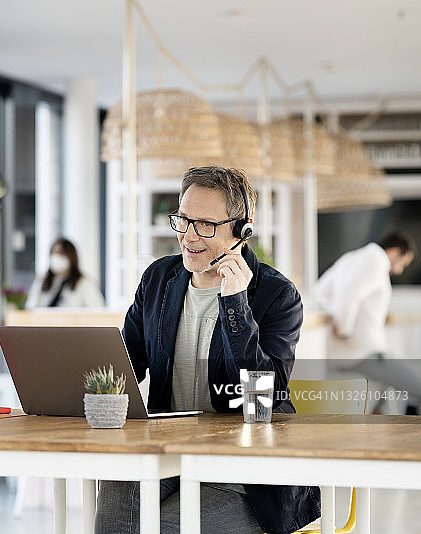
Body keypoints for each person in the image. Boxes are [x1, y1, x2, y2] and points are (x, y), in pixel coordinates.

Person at [95, 165, 320, 534]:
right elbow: (126, 365)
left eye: (205, 225)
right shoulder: (158, 279)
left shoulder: (277, 296)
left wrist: (235, 304)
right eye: (183, 220)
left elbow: (261, 396)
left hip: (245, 470)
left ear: (242, 229)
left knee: (165, 528)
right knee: (115, 522)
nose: (188, 236)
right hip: (167, 452)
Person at [315, 232, 420, 409]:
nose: (399, 270)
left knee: (385, 395)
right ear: (394, 252)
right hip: (362, 353)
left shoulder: (352, 258)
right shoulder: (375, 261)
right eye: (402, 263)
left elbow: (320, 290)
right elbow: (348, 297)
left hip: (357, 352)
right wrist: (343, 329)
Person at [25, 237, 105, 308]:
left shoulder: (84, 282)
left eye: (61, 253)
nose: (56, 257)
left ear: (71, 256)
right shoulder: (42, 280)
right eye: (54, 253)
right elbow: (31, 306)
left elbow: (97, 309)